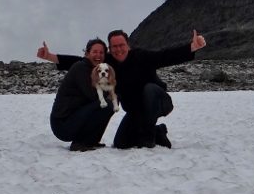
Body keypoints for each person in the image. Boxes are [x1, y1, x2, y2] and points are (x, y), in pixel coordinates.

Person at [38, 29, 207, 149]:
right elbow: (82, 61)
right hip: (136, 112)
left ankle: (148, 138)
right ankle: (157, 132)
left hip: (158, 101)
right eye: (114, 47)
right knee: (121, 144)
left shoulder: (142, 57)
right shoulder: (109, 62)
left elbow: (165, 56)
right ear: (110, 49)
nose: (118, 49)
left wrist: (191, 48)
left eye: (121, 45)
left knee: (149, 90)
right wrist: (50, 57)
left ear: (128, 45)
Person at [43, 38, 116, 152]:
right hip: (63, 124)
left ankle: (91, 141)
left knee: (109, 104)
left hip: (74, 118)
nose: (98, 55)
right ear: (87, 53)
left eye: (101, 52)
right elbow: (93, 96)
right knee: (107, 104)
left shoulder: (94, 70)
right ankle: (80, 143)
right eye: (95, 52)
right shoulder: (81, 68)